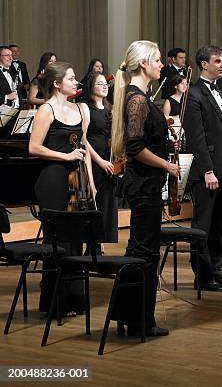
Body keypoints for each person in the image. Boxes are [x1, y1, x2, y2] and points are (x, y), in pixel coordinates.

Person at [110, 40, 179, 337]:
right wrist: (166, 164)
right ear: (143, 65)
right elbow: (135, 147)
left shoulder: (140, 98)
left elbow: (145, 142)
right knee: (144, 253)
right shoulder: (137, 100)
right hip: (145, 185)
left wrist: (165, 143)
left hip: (146, 184)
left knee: (141, 250)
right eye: (158, 60)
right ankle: (139, 318)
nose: (162, 65)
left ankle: (131, 316)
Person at [29, 61, 95, 317]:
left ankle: (74, 299)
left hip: (76, 179)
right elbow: (34, 148)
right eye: (71, 78)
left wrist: (90, 181)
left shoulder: (81, 108)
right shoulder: (46, 109)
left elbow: (85, 145)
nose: (76, 81)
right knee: (56, 239)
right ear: (57, 84)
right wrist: (65, 157)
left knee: (75, 238)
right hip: (53, 179)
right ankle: (54, 302)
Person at [183, 45, 222, 291]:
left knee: (220, 223)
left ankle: (217, 269)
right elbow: (197, 137)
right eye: (218, 61)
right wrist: (207, 170)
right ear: (204, 64)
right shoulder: (194, 93)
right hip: (207, 170)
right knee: (203, 224)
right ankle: (203, 274)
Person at [81, 71, 118, 244]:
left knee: (107, 204)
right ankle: (92, 244)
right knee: (94, 203)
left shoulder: (110, 108)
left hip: (109, 161)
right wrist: (100, 161)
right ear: (91, 87)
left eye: (106, 84)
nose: (105, 86)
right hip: (94, 162)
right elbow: (84, 139)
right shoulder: (85, 108)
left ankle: (101, 243)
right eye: (100, 83)